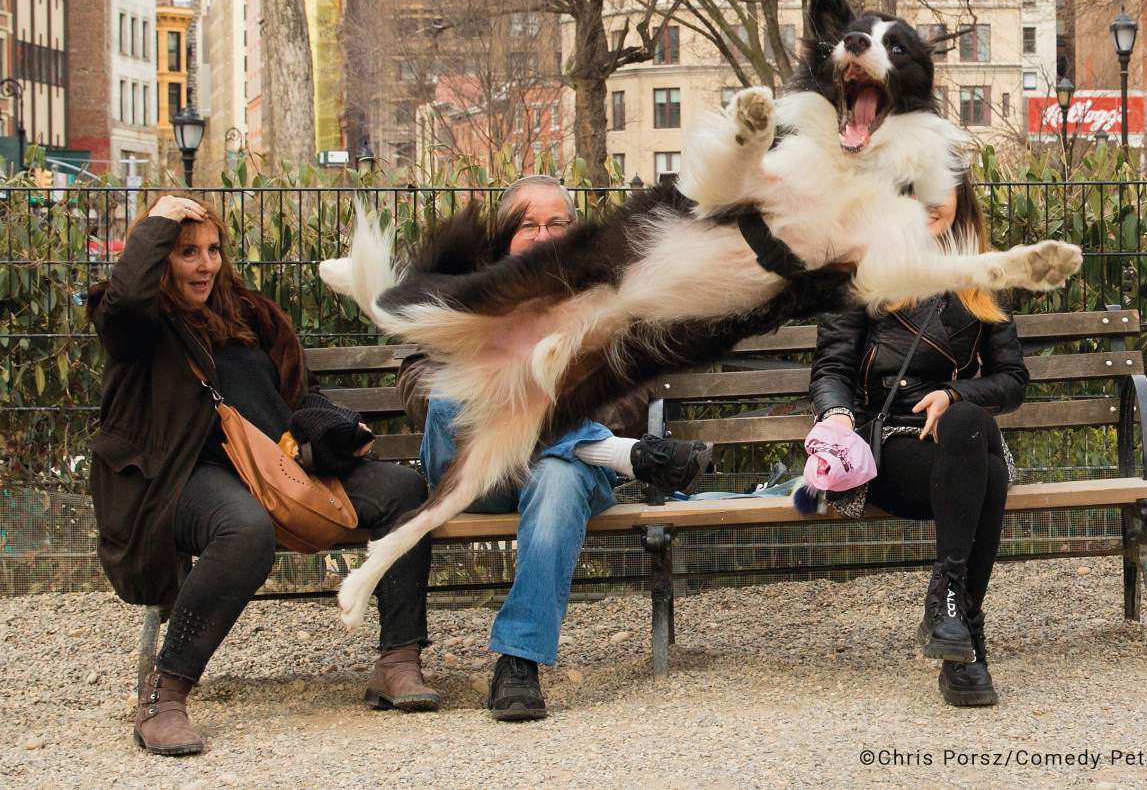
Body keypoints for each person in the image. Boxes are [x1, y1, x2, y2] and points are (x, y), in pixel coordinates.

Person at [88, 192, 436, 757]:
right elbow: (127, 303)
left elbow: (302, 399)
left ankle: (398, 661)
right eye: (185, 252)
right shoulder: (138, 322)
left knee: (407, 492)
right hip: (185, 476)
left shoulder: (251, 316)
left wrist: (330, 436)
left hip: (280, 469)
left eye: (212, 250)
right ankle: (164, 695)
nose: (204, 264)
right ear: (157, 258)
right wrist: (157, 222)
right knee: (244, 528)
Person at [399, 175, 711, 721]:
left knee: (559, 477)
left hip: (559, 474)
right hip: (473, 470)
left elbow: (632, 393)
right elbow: (419, 386)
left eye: (556, 224)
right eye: (528, 225)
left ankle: (518, 662)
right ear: (506, 236)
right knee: (456, 391)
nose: (543, 236)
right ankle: (623, 456)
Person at [808, 173, 1029, 707]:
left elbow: (1013, 379)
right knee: (990, 475)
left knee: (969, 424)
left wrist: (953, 394)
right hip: (886, 450)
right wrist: (836, 415)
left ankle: (948, 610)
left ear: (959, 197)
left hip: (958, 442)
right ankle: (965, 632)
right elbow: (831, 367)